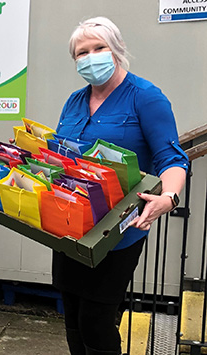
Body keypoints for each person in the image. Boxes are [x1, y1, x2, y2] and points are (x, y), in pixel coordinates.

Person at [53, 17, 188, 355]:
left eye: (98, 47)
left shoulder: (145, 97)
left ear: (117, 49)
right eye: (81, 52)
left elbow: (172, 159)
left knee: (96, 322)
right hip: (69, 226)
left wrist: (168, 197)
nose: (90, 57)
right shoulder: (73, 101)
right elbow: (59, 154)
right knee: (72, 319)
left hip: (117, 232)